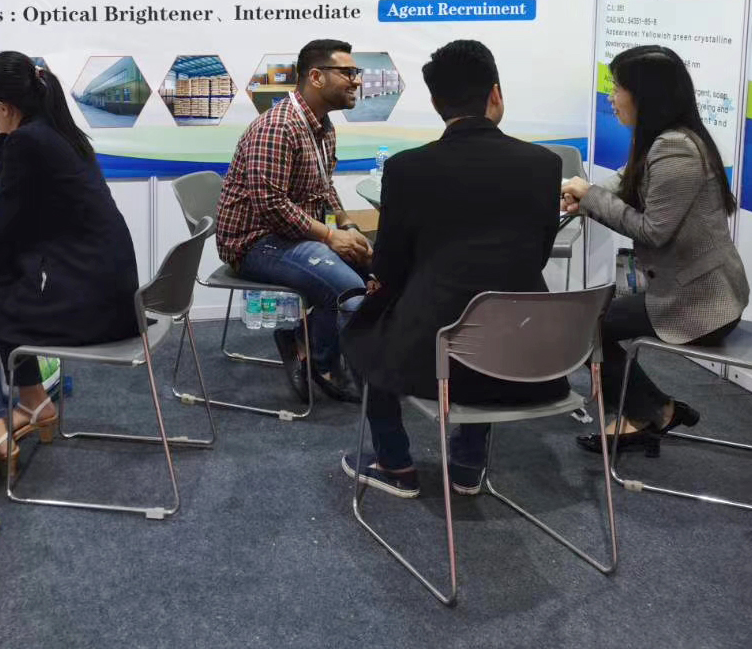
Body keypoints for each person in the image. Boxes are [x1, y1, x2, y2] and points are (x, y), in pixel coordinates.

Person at [340, 40, 567, 497]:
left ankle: (395, 464)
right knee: (488, 306)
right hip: (526, 357)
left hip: (434, 358)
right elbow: (535, 258)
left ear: (435, 103)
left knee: (357, 322)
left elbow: (390, 268)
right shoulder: (545, 165)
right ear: (495, 94)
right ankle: (467, 461)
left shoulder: (407, 169)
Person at [0, 51, 140, 462]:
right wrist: (4, 135)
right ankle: (34, 402)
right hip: (111, 294)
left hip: (91, 305)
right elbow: (13, 209)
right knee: (7, 288)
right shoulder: (54, 133)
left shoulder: (29, 141)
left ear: (4, 107)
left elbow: (4, 222)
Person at [562, 44, 749, 454]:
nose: (611, 97)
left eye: (618, 88)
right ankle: (655, 411)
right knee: (589, 321)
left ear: (645, 95)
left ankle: (646, 414)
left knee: (583, 327)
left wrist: (589, 196)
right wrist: (580, 195)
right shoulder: (664, 140)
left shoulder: (675, 148)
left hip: (702, 303)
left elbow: (653, 232)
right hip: (686, 290)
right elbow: (623, 181)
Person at [216, 38, 370, 404]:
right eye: (348, 72)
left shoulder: (322, 126)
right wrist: (330, 237)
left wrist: (347, 226)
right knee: (348, 289)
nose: (357, 80)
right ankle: (321, 362)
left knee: (372, 269)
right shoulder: (278, 127)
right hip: (255, 242)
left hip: (292, 236)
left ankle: (303, 340)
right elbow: (270, 206)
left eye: (356, 72)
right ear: (316, 77)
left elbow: (323, 186)